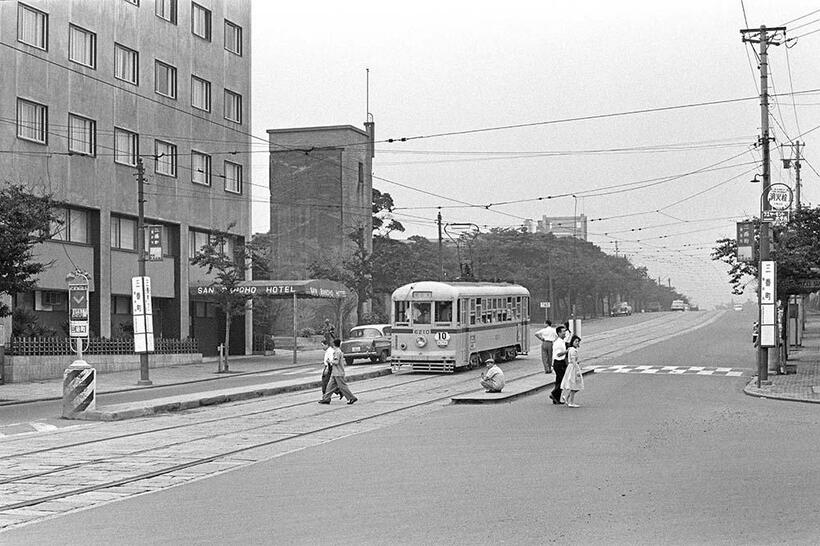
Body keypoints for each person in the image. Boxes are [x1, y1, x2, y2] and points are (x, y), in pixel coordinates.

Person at [318, 339, 358, 405]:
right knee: (329, 386)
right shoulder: (337, 351)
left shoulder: (337, 352)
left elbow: (336, 362)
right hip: (335, 373)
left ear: (334, 344)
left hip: (338, 373)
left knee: (342, 387)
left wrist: (330, 361)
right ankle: (326, 399)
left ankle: (351, 398)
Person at [560, 335, 584, 407]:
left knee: (573, 384)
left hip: (571, 367)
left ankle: (566, 396)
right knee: (574, 384)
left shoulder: (571, 349)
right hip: (573, 368)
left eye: (578, 342)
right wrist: (577, 370)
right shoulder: (573, 350)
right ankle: (570, 401)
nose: (577, 343)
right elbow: (573, 361)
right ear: (572, 342)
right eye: (575, 341)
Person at [549, 325, 568, 405]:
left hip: (561, 363)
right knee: (562, 380)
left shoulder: (562, 341)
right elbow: (558, 354)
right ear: (559, 333)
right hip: (558, 363)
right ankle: (553, 393)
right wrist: (567, 351)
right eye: (563, 332)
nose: (565, 333)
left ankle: (556, 399)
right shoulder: (558, 343)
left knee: (558, 381)